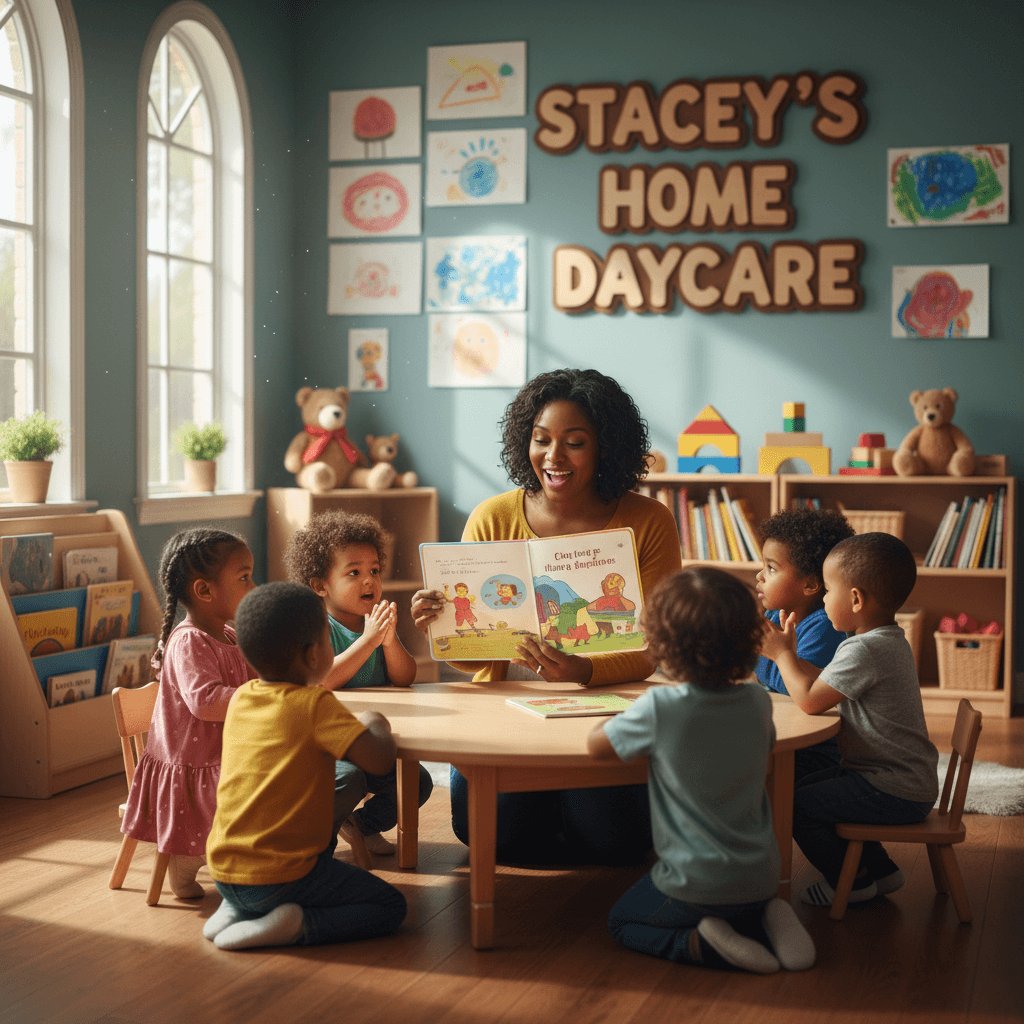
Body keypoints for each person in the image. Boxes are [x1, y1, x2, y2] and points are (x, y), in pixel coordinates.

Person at [412, 368, 682, 865]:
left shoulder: (649, 521)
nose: (554, 457)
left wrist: (583, 669)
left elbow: (653, 650)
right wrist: (445, 629)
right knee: (489, 835)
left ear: (606, 448)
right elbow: (471, 663)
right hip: (505, 713)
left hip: (603, 709)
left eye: (575, 443)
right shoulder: (492, 517)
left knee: (612, 840)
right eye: (541, 439)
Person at [588, 567, 815, 973]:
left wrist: (616, 716)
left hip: (693, 884)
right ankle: (769, 916)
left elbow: (598, 747)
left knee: (620, 922)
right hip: (764, 875)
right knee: (743, 900)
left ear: (660, 645)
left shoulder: (660, 708)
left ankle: (698, 943)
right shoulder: (758, 702)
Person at [204, 582, 407, 951]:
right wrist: (375, 722)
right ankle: (297, 925)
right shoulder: (314, 704)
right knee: (390, 906)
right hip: (281, 878)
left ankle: (237, 907)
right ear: (315, 654)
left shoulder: (242, 699)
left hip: (223, 869)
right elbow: (378, 761)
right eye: (329, 641)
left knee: (276, 857)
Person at [761, 532, 939, 909]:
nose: (824, 600)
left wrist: (781, 656)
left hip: (892, 786)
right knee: (804, 787)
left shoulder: (864, 649)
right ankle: (882, 870)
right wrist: (789, 655)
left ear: (855, 599)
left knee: (795, 805)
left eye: (828, 591)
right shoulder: (884, 639)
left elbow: (810, 701)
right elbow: (824, 684)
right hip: (900, 779)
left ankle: (851, 882)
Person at [284, 510, 432, 858]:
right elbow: (322, 681)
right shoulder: (317, 628)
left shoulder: (375, 624)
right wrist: (368, 641)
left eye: (374, 571)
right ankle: (315, 847)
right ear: (320, 586)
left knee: (417, 783)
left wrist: (388, 641)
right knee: (347, 781)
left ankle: (362, 825)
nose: (369, 581)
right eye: (354, 573)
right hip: (326, 745)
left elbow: (405, 677)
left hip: (370, 742)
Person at [120, 529, 256, 899]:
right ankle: (188, 858)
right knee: (254, 797)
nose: (253, 586)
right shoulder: (189, 641)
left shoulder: (229, 635)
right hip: (195, 765)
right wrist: (260, 696)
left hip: (224, 756)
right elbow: (205, 701)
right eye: (244, 577)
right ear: (204, 591)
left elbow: (256, 677)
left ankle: (254, 857)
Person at [755, 508, 854, 777]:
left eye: (771, 568)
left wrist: (775, 654)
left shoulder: (824, 628)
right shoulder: (776, 614)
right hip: (781, 725)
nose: (759, 576)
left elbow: (797, 688)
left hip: (814, 747)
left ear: (810, 585)